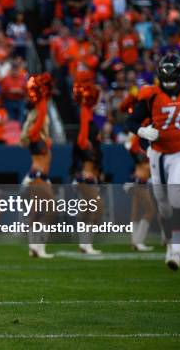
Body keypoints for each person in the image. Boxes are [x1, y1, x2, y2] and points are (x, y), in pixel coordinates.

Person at [126, 54, 180, 271]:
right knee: (163, 204)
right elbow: (131, 120)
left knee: (177, 196)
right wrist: (142, 131)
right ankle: (170, 242)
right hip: (158, 154)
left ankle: (177, 249)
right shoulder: (152, 95)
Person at [20, 73, 55, 259]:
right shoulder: (34, 135)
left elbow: (43, 116)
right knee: (49, 211)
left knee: (36, 213)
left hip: (41, 176)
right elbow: (41, 115)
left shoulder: (41, 136)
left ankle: (35, 247)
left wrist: (44, 96)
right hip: (37, 175)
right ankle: (38, 246)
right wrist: (41, 96)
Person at [119, 89, 156, 252]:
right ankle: (138, 241)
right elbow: (130, 145)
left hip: (137, 178)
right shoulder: (142, 130)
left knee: (136, 210)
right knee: (150, 210)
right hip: (139, 179)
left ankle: (134, 241)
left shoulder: (141, 129)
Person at [71, 81, 105, 255]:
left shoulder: (92, 126)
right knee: (94, 209)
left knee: (91, 210)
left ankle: (84, 243)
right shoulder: (85, 131)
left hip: (92, 176)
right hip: (85, 175)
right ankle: (85, 244)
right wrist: (85, 104)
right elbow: (82, 139)